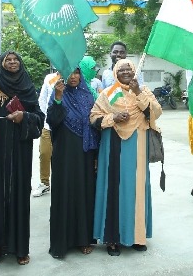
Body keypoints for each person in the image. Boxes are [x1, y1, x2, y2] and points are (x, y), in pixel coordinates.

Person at [0, 27, 44, 268]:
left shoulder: (28, 86)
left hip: (20, 147)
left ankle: (20, 248)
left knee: (18, 195)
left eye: (15, 60)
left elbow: (38, 117)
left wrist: (24, 116)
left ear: (20, 65)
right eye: (7, 59)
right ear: (2, 64)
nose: (12, 62)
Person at [91, 59, 162, 256]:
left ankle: (137, 237)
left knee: (136, 190)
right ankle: (112, 239)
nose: (125, 72)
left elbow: (155, 112)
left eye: (128, 69)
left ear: (133, 72)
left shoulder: (143, 90)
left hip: (138, 146)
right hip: (113, 146)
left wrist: (138, 92)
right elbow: (94, 117)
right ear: (115, 73)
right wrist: (113, 117)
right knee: (113, 188)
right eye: (120, 70)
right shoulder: (108, 93)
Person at [47, 68, 99, 258]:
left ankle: (84, 240)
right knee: (65, 193)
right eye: (69, 72)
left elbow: (94, 123)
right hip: (65, 153)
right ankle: (62, 243)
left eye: (76, 72)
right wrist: (59, 98)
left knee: (85, 193)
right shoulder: (58, 94)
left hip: (86, 152)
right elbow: (52, 120)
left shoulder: (88, 95)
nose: (73, 76)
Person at [33, 70, 60, 198]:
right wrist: (43, 119)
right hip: (47, 124)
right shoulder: (50, 78)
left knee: (59, 156)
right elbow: (43, 99)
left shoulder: (73, 77)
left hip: (63, 126)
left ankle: (60, 182)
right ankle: (44, 182)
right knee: (44, 153)